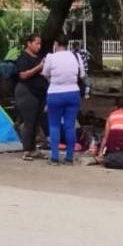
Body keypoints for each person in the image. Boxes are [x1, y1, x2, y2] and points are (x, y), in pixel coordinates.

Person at [42, 34, 85, 165]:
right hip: (73, 93)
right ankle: (69, 157)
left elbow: (45, 73)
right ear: (68, 44)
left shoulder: (51, 57)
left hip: (55, 93)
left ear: (56, 43)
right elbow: (82, 75)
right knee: (70, 126)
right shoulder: (76, 56)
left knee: (54, 125)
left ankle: (55, 157)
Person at [14, 34, 48, 161]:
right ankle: (27, 149)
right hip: (27, 91)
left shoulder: (40, 57)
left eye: (40, 44)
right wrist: (38, 68)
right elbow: (23, 75)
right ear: (29, 43)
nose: (39, 46)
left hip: (40, 92)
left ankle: (34, 148)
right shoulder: (23, 58)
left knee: (36, 121)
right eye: (36, 43)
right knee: (29, 121)